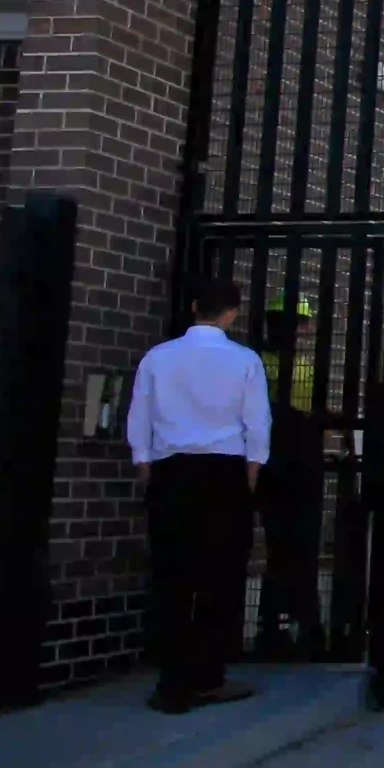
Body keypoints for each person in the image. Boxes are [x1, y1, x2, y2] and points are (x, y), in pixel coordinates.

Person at [126, 276, 268, 713]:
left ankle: (171, 682)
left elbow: (140, 417)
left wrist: (146, 465)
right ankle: (208, 675)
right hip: (225, 471)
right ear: (232, 312)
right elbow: (257, 424)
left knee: (171, 576)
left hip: (171, 470)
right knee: (220, 577)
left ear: (192, 307)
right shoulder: (244, 360)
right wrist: (250, 475)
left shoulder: (158, 358)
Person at [256, 289, 324, 658]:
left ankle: (282, 623)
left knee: (286, 547)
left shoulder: (268, 363)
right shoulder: (263, 365)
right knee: (291, 546)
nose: (299, 331)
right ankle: (292, 624)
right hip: (284, 461)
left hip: (283, 462)